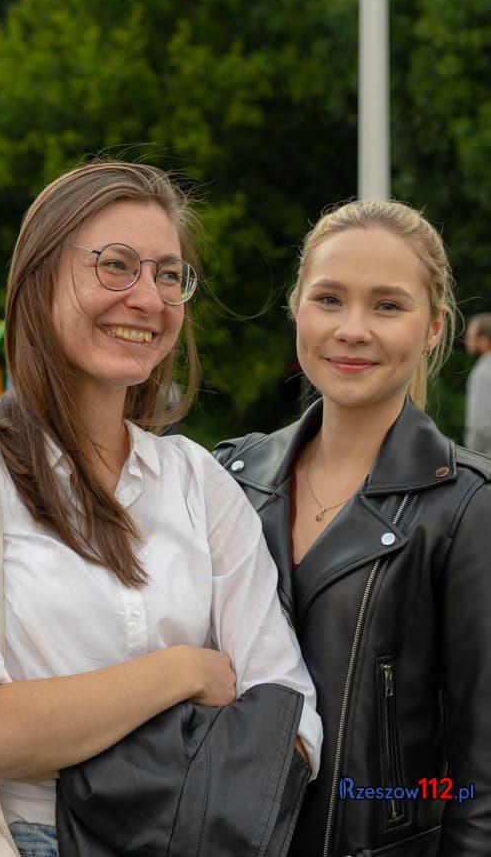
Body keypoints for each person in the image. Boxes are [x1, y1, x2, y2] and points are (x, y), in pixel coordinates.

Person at [0, 161, 322, 857]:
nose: (148, 297)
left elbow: (290, 719)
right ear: (40, 279)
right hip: (13, 836)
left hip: (188, 837)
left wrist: (61, 730)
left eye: (169, 275)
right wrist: (182, 672)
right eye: (115, 265)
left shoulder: (197, 480)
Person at [215, 200, 491, 857]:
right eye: (329, 299)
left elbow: (481, 782)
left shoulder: (466, 507)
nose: (352, 329)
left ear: (433, 328)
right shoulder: (229, 477)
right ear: (297, 307)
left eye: (387, 305)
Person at [464, 312, 491, 454]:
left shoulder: (483, 373)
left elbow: (480, 426)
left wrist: (473, 455)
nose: (467, 340)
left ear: (484, 339)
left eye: (471, 336)